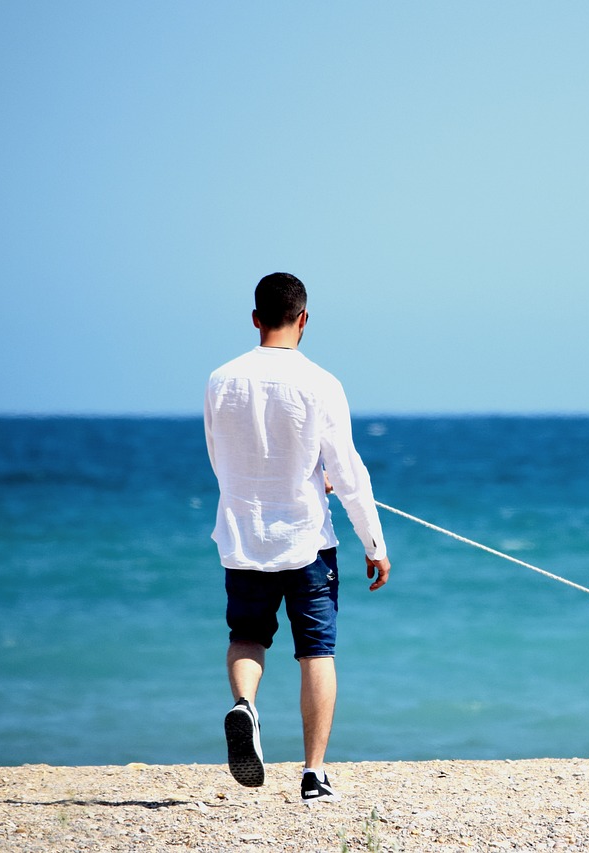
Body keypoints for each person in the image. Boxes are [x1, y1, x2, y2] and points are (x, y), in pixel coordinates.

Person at [204, 272, 391, 805]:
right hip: (306, 539)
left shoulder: (220, 379)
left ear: (256, 317)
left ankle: (244, 705)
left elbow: (221, 458)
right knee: (316, 651)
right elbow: (348, 471)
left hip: (242, 534)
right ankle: (313, 773)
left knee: (246, 636)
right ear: (303, 319)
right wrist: (374, 544)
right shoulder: (321, 382)